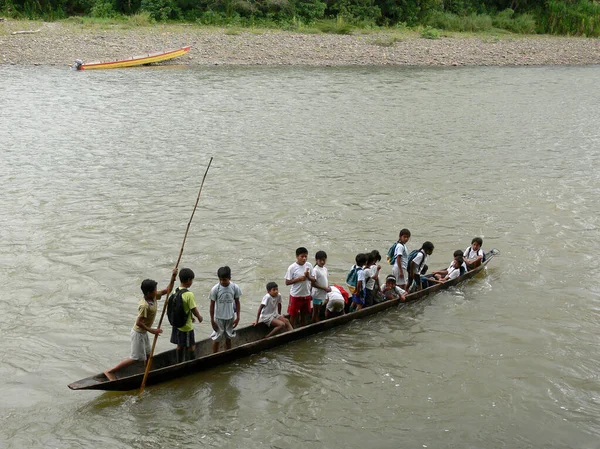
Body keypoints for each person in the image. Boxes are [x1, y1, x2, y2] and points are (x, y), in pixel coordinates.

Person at [104, 270, 176, 381]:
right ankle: (110, 371)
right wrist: (152, 330)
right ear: (148, 293)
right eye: (155, 290)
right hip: (138, 333)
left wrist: (173, 277)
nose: (157, 291)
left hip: (144, 333)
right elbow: (139, 322)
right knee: (135, 358)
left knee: (148, 355)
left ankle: (146, 374)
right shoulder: (144, 306)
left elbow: (168, 290)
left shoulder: (153, 296)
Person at [170, 267, 204, 362]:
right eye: (192, 280)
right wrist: (199, 317)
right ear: (189, 280)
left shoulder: (175, 291)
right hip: (186, 327)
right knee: (191, 346)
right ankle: (190, 363)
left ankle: (179, 362)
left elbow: (180, 308)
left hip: (177, 325)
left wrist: (191, 317)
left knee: (180, 345)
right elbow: (193, 308)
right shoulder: (189, 294)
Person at [209, 266, 242, 353]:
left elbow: (237, 302)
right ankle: (214, 355)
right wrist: (212, 320)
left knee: (229, 337)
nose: (223, 282)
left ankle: (228, 352)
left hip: (230, 317)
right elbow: (212, 306)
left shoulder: (235, 287)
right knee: (217, 338)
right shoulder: (215, 289)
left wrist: (238, 317)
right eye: (221, 280)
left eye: (225, 280)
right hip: (218, 318)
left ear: (230, 278)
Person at [285, 247, 316, 328]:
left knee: (304, 314)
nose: (304, 258)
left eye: (306, 256)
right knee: (293, 315)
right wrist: (298, 279)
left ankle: (302, 327)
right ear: (297, 256)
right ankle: (291, 330)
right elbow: (287, 282)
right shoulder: (292, 267)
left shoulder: (309, 265)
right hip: (296, 295)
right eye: (302, 256)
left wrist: (308, 276)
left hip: (306, 294)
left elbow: (313, 279)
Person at [311, 250, 330, 323]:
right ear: (316, 260)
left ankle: (317, 321)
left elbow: (325, 280)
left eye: (324, 260)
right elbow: (313, 284)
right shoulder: (315, 270)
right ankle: (315, 323)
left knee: (319, 310)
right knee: (315, 312)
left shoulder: (325, 269)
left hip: (323, 294)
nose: (322, 262)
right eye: (320, 260)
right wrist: (324, 288)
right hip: (317, 294)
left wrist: (328, 287)